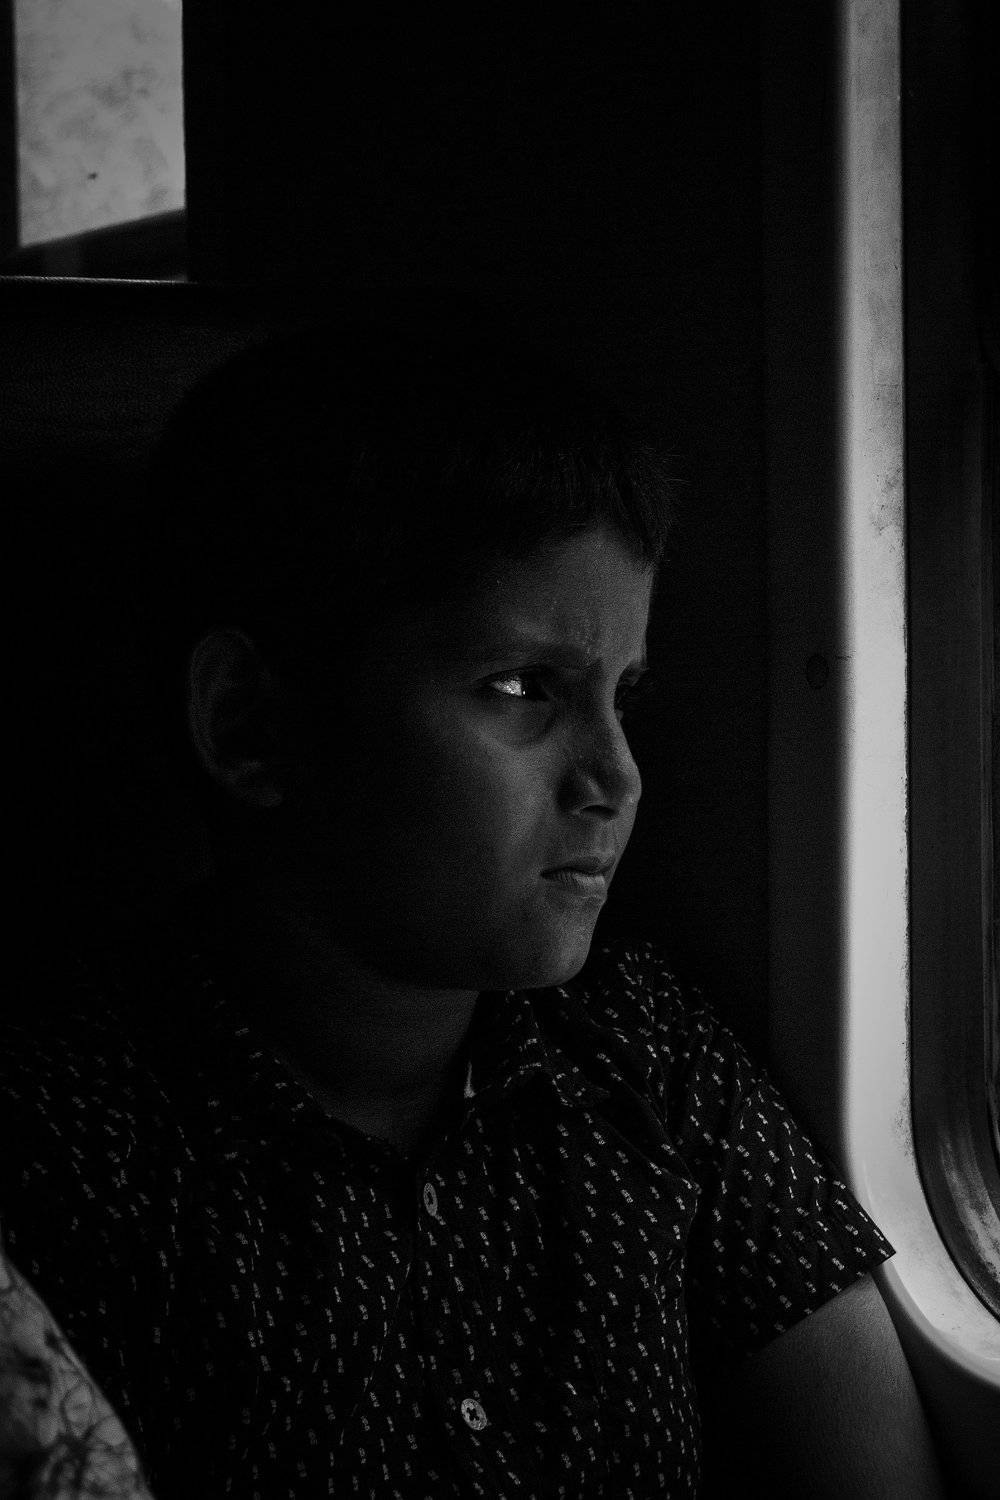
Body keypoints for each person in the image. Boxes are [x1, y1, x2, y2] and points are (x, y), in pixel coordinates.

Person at [1, 311, 947, 1498]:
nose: (616, 777)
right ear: (249, 725)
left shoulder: (643, 1055)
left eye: (623, 697)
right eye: (521, 687)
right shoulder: (73, 1159)